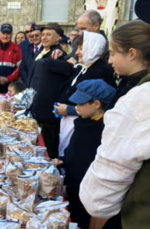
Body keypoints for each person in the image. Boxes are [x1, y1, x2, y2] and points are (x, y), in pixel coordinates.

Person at [79, 20, 150, 229]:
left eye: (112, 53)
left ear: (132, 53)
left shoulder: (138, 100)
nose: (109, 61)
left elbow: (98, 200)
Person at [52, 79, 116, 229]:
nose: (77, 107)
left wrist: (71, 189)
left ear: (96, 104)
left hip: (83, 192)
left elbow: (86, 165)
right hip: (70, 184)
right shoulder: (82, 122)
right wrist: (61, 160)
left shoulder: (103, 131)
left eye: (81, 103)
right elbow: (73, 152)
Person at [55, 31, 115, 157]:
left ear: (92, 48)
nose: (77, 52)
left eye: (81, 48)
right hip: (70, 121)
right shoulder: (84, 67)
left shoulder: (101, 72)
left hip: (83, 125)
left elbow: (100, 105)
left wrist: (70, 109)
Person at [26, 23, 72, 159]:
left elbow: (68, 68)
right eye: (43, 34)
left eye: (49, 35)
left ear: (58, 38)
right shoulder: (41, 52)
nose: (44, 37)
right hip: (34, 107)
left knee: (47, 149)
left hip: (47, 112)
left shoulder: (58, 54)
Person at [0, 23, 22, 93]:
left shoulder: (17, 49)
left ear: (11, 35)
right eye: (3, 33)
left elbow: (19, 68)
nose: (5, 36)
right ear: (0, 34)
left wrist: (8, 79)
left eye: (8, 34)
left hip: (10, 86)